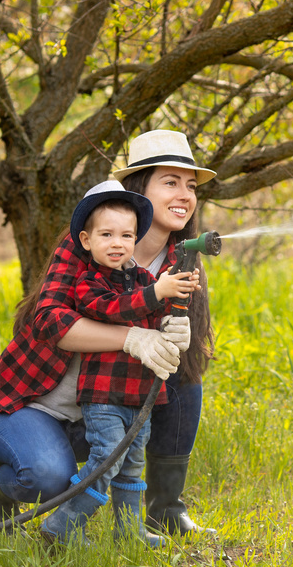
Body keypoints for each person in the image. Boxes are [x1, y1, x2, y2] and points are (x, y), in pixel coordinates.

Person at [0, 129, 217, 538]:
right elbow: (50, 320)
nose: (184, 196)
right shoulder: (89, 242)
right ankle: (1, 491)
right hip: (37, 403)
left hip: (106, 405)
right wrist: (131, 338)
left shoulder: (181, 257)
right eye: (170, 183)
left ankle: (164, 510)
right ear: (140, 189)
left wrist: (175, 333)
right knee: (47, 477)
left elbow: (176, 354)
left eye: (190, 186)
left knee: (185, 378)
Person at [38, 181, 199, 546]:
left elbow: (154, 309)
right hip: (105, 396)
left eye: (127, 235)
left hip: (140, 395)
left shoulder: (144, 278)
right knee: (106, 460)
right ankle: (62, 526)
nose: (117, 243)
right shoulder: (88, 282)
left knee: (132, 466)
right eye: (107, 234)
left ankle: (129, 531)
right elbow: (112, 309)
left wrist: (174, 315)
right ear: (85, 240)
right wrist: (158, 291)